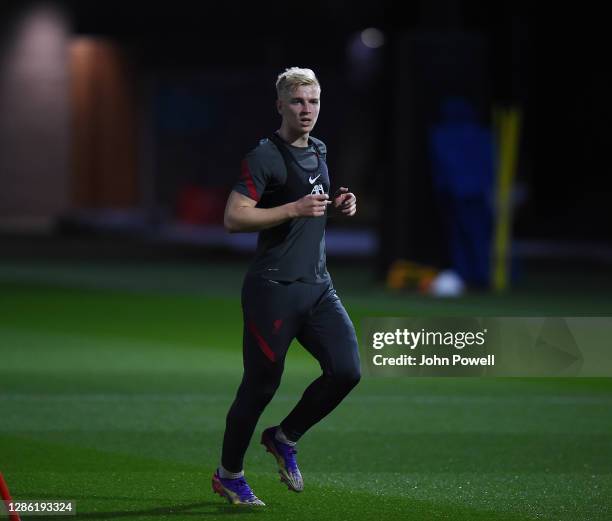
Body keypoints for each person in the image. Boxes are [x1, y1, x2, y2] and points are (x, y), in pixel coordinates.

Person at [212, 67, 361, 506]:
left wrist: (337, 206)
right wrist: (295, 207)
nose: (307, 110)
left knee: (347, 371)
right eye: (297, 102)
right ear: (280, 105)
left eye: (313, 101)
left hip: (318, 288)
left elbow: (309, 209)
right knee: (260, 387)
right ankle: (229, 474)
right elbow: (234, 217)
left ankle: (284, 436)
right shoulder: (264, 155)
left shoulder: (319, 148)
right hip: (273, 290)